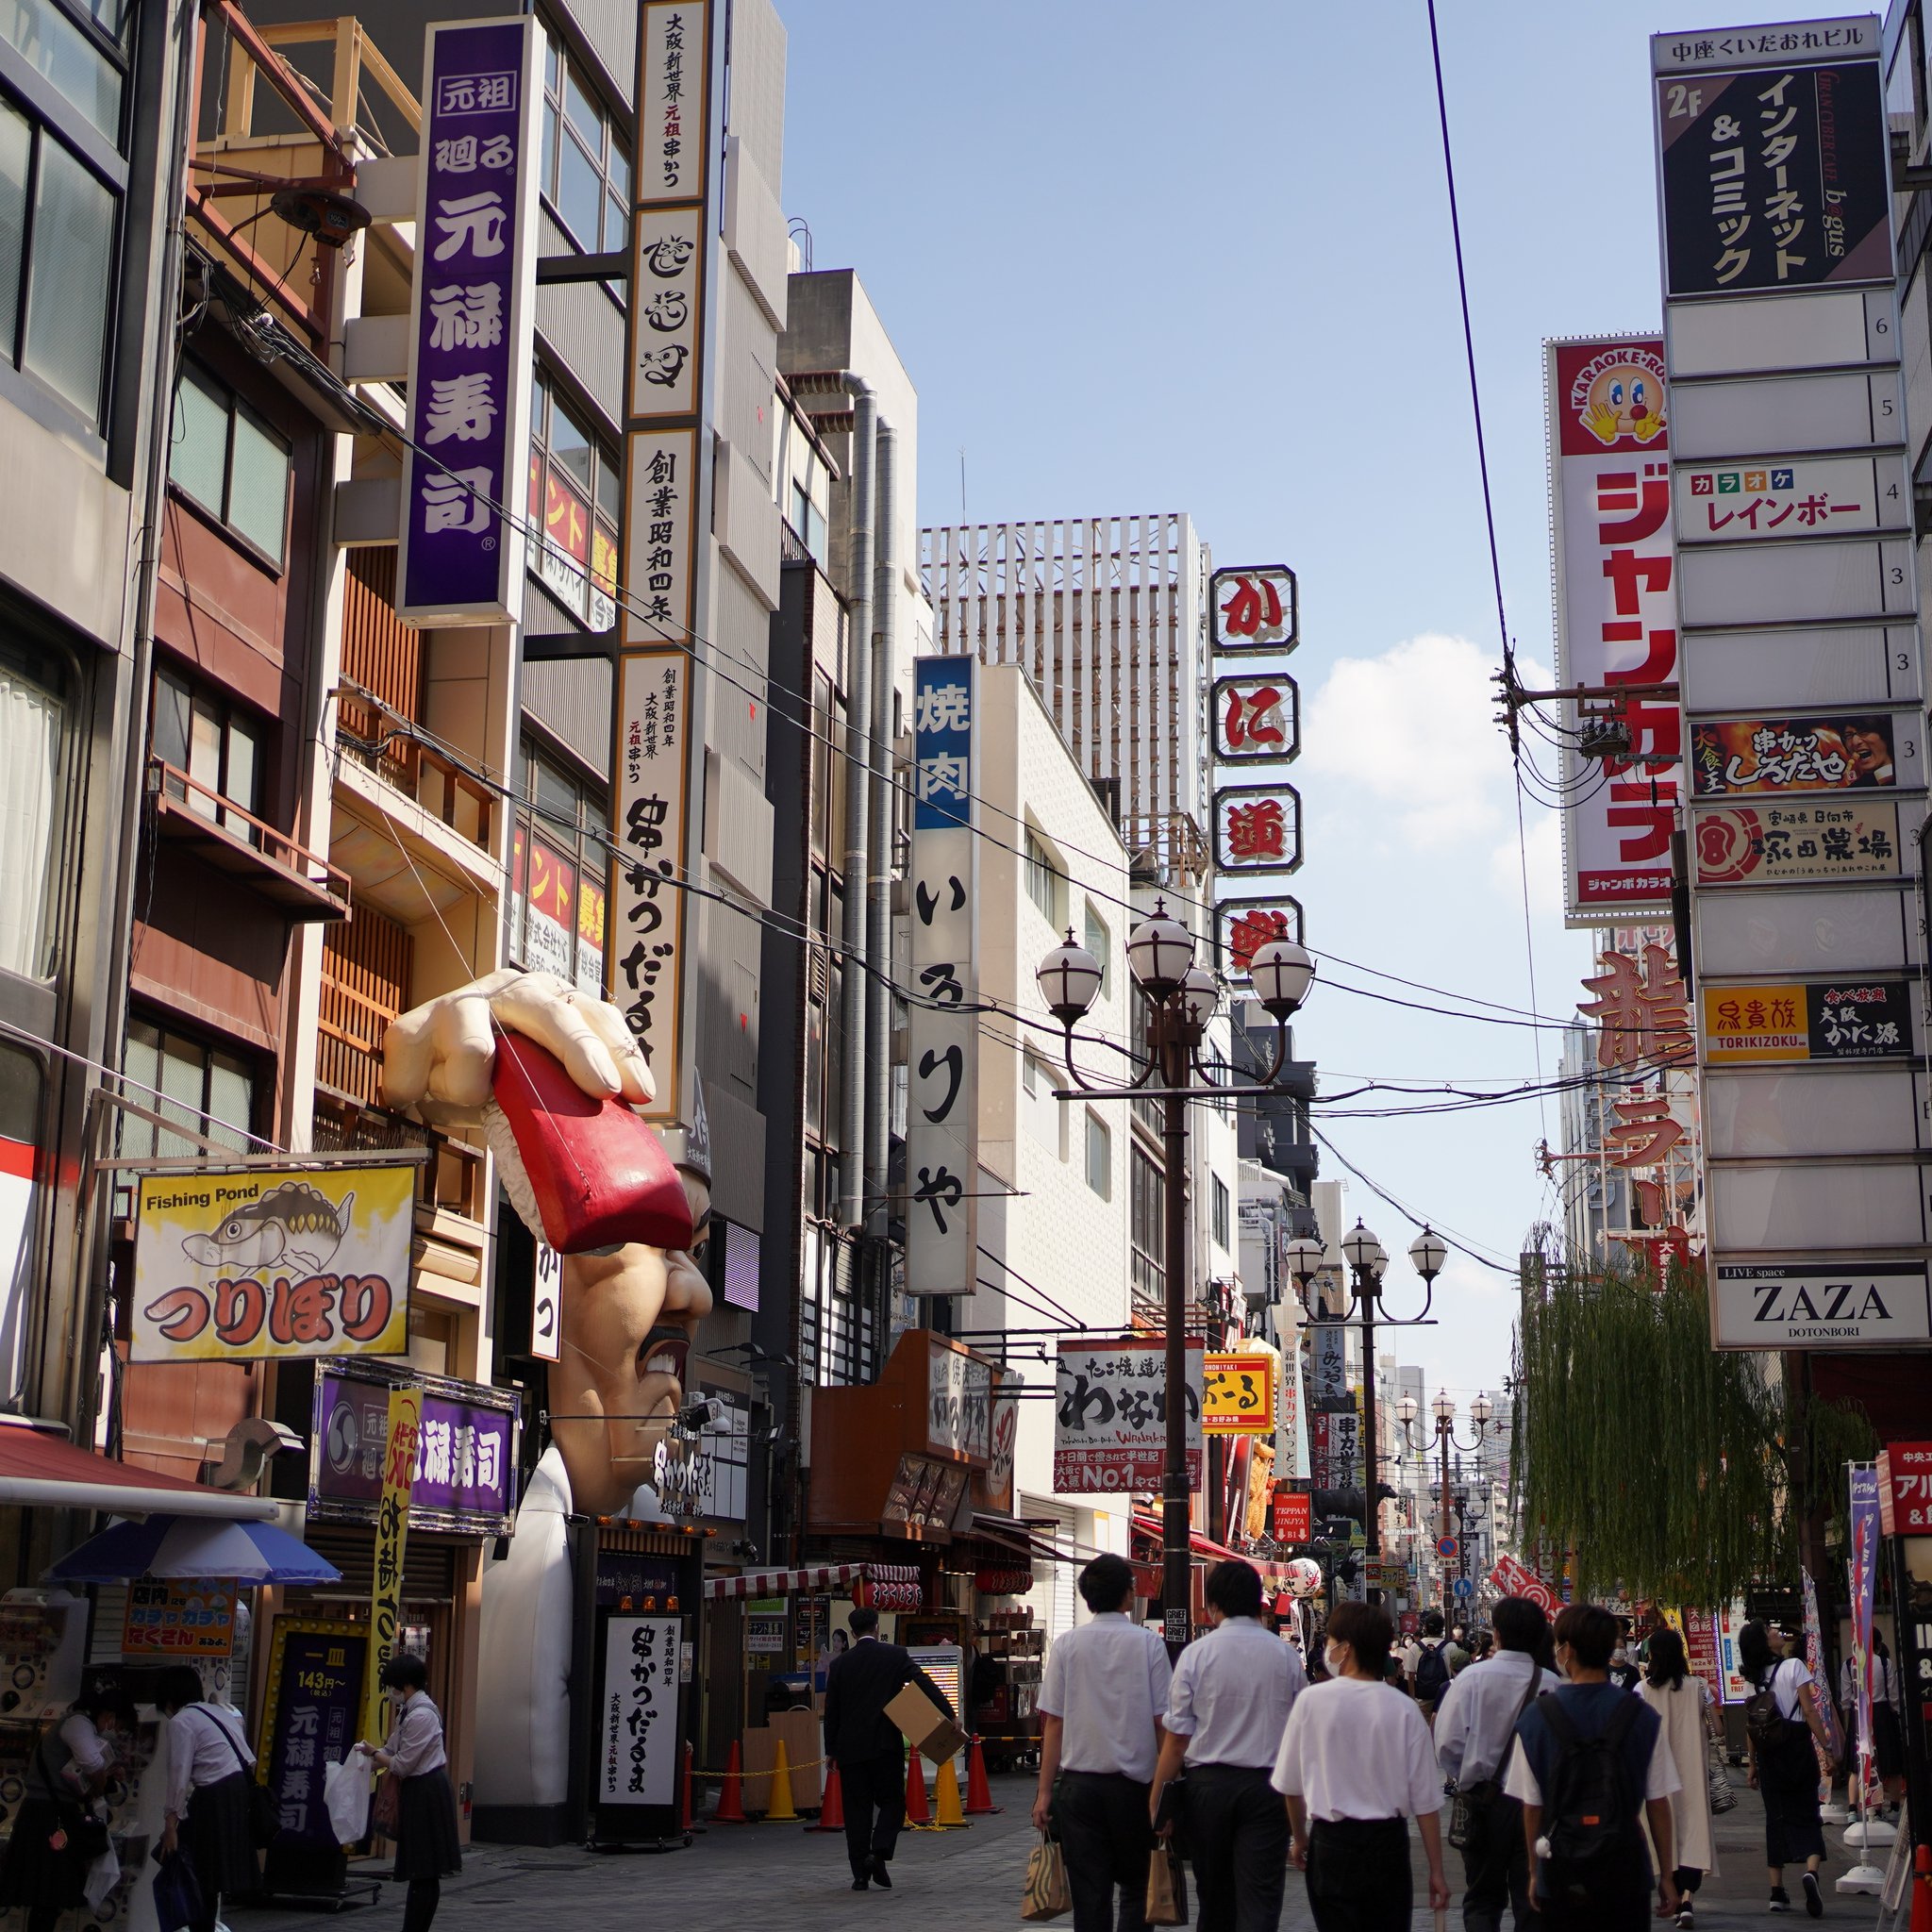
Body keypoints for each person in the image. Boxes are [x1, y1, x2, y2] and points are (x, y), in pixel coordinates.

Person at [1502, 1603, 1682, 1932]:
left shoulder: (1536, 1718)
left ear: (1567, 1650)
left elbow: (1531, 1807)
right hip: (1625, 1866)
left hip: (1559, 1868)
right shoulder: (1642, 1717)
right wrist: (1667, 1876)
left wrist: (1533, 1872)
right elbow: (1658, 1802)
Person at [1275, 1599, 1452, 1932]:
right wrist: (1436, 1871)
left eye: (1330, 1640)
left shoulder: (1312, 1702)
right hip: (1387, 1846)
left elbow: (1291, 1786)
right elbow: (1426, 1802)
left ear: (1346, 1648)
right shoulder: (1403, 1709)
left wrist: (1300, 1838)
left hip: (1331, 1843)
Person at [1150, 1560, 1306, 1932]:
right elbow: (1300, 1734)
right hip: (1268, 1789)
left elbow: (1177, 1739)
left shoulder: (1196, 1654)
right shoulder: (1285, 1656)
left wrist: (1157, 1798)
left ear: (1213, 1606)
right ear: (1258, 1603)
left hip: (1208, 1789)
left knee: (1214, 1896)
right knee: (1260, 1897)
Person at [1033, 1553, 1174, 1932]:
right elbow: (1163, 1724)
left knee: (1090, 1894)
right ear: (1127, 1594)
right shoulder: (1149, 1645)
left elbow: (1054, 1723)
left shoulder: (1067, 1645)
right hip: (1137, 1789)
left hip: (1080, 1790)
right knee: (1137, 1888)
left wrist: (1044, 1794)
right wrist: (1166, 1794)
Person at [1434, 1595, 1562, 1932]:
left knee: (1482, 1899)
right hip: (1536, 1804)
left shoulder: (1471, 1679)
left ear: (1497, 1633)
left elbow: (1446, 1742)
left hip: (1482, 1801)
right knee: (1532, 1899)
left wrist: (1466, 1776)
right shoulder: (1552, 1685)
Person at [824, 1605, 955, 1891]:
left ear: (852, 1633)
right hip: (885, 1745)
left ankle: (860, 1875)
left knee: (856, 1811)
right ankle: (879, 1851)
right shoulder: (895, 1655)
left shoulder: (841, 1665)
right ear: (876, 1628)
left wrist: (831, 1749)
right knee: (893, 1802)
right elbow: (924, 1684)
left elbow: (831, 1710)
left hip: (850, 1749)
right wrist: (949, 1714)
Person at [0, 1676, 130, 1932]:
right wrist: (102, 1780)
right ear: (107, 1714)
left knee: (48, 1893)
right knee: (48, 1891)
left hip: (49, 1814)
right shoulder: (77, 1723)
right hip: (48, 1816)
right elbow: (92, 1763)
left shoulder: (80, 1725)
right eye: (116, 1723)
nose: (113, 1729)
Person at [357, 1655, 461, 1932]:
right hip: (419, 1790)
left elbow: (402, 1765)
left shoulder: (422, 1715)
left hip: (427, 1791)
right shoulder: (408, 1712)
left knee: (424, 1869)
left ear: (405, 1685)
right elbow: (391, 1750)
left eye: (392, 1687)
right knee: (421, 1869)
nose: (391, 1693)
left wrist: (374, 1754)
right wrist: (361, 1764)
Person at [1739, 1620, 1833, 1916]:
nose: (1776, 1632)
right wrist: (1828, 1748)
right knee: (1807, 1812)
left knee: (1775, 1818)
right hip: (1797, 1747)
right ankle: (1811, 1872)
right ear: (1764, 1642)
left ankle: (1777, 1892)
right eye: (1769, 1630)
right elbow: (1809, 1710)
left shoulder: (1753, 1679)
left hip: (1769, 1755)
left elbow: (1753, 1725)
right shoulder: (1794, 1666)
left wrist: (1752, 1764)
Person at [158, 1665, 259, 1932]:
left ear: (169, 1697)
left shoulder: (181, 1721)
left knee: (195, 1871)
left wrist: (170, 1823)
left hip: (213, 1797)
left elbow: (178, 1775)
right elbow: (249, 1759)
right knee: (210, 1878)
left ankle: (197, 1927)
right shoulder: (218, 1712)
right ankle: (205, 1926)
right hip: (237, 1793)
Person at [1640, 1627, 1718, 1930]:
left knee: (1663, 1833)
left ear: (1653, 1655)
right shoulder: (1699, 1687)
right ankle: (1687, 1900)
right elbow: (1718, 1729)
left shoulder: (1642, 1690)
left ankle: (1670, 1890)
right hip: (1692, 1772)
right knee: (1693, 1833)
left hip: (1657, 1774)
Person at [1414, 1612, 1455, 1718]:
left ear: (1425, 1628)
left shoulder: (1415, 1647)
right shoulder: (1451, 1646)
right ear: (1442, 1628)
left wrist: (1413, 1700)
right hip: (1445, 1699)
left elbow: (1409, 1676)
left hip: (1422, 1700)